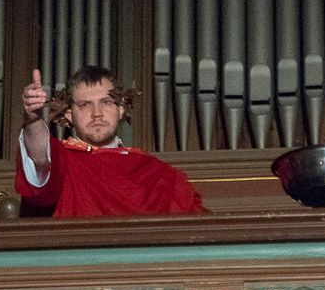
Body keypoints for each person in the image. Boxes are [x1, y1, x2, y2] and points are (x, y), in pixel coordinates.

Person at [15, 66, 206, 217]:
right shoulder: (64, 162)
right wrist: (32, 118)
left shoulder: (158, 174)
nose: (97, 113)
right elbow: (39, 156)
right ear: (69, 114)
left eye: (106, 102)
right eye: (85, 105)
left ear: (121, 109)